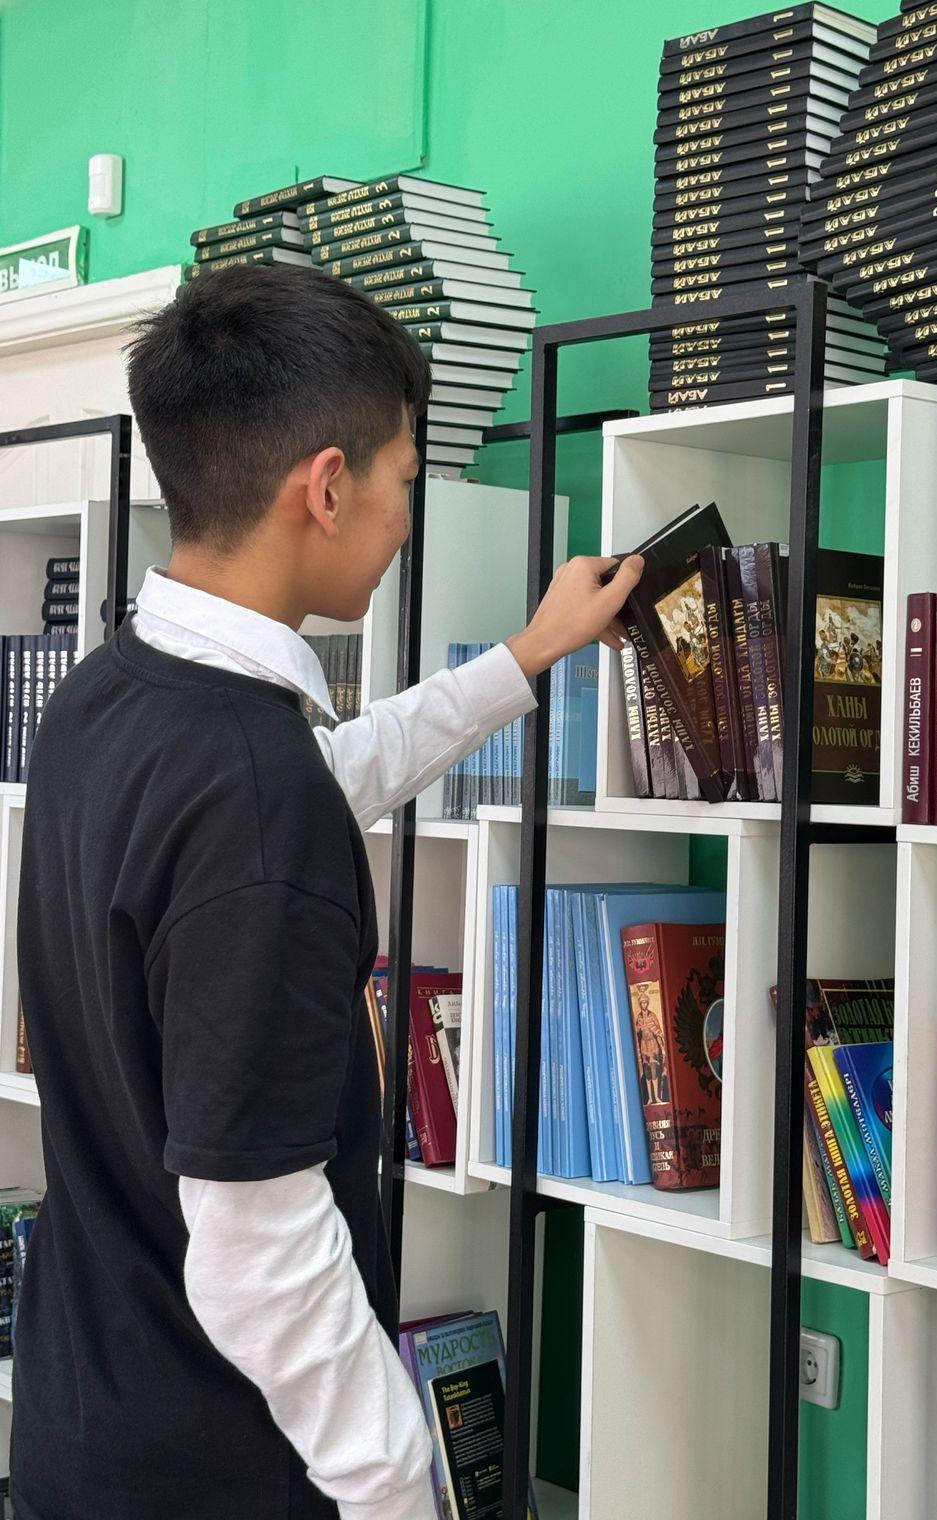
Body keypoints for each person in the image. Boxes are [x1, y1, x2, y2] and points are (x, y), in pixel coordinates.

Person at [10, 263, 643, 1520]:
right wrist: (397, 1486)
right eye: (406, 478)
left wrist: (527, 656)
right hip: (223, 1469)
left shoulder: (105, 700)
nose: (407, 518)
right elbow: (259, 1247)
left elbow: (321, 780)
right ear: (329, 485)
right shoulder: (252, 793)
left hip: (81, 1430)